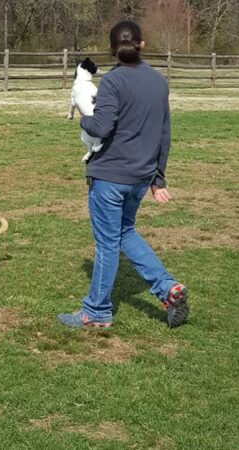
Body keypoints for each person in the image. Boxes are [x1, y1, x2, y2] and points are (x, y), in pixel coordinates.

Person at [57, 21, 189, 329]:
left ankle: (96, 311)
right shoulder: (159, 82)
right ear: (142, 44)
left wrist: (83, 120)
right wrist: (158, 178)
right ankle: (168, 288)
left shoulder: (113, 82)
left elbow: (101, 127)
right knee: (124, 232)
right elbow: (164, 133)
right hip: (141, 177)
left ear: (111, 49)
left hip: (109, 177)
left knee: (107, 243)